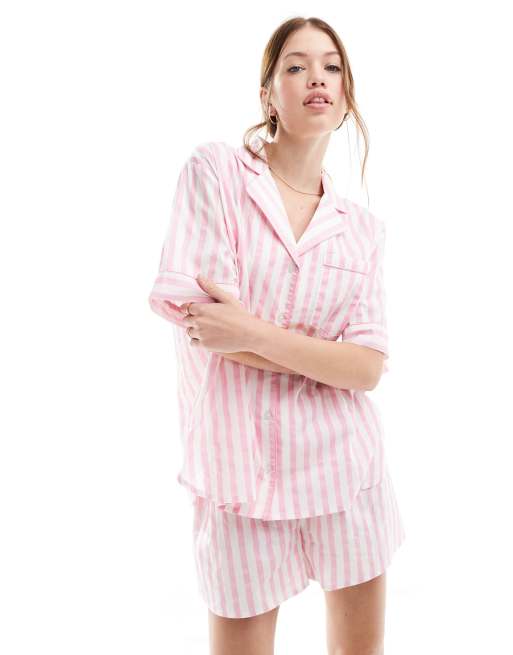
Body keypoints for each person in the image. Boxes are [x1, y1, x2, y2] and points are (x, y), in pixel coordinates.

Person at [148, 15, 405, 655]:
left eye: (332, 67)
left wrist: (252, 332)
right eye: (296, 66)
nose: (317, 78)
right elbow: (204, 325)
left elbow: (368, 369)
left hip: (346, 472)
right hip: (239, 477)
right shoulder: (216, 174)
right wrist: (327, 359)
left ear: (345, 97)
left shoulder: (361, 230)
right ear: (268, 95)